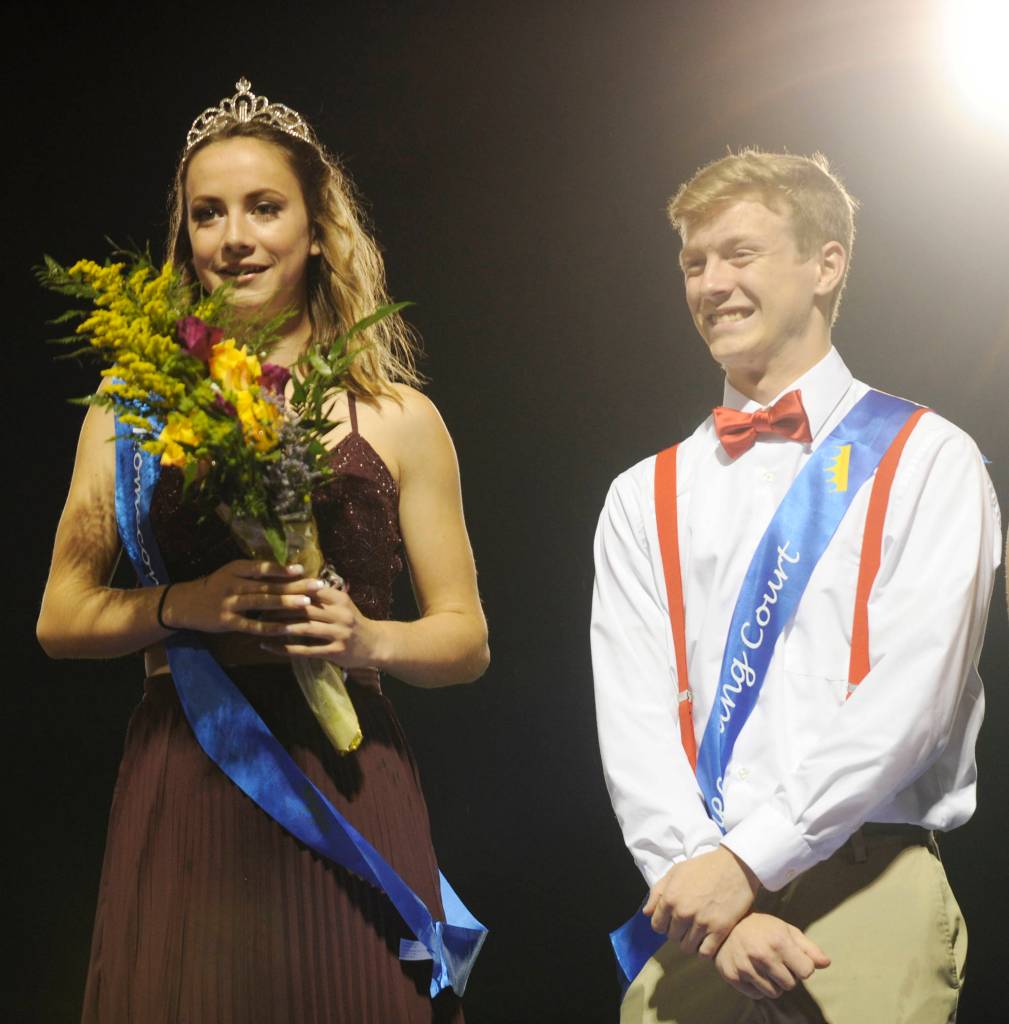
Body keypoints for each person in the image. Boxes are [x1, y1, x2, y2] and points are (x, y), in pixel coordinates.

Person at [37, 80, 489, 1024]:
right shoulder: (129, 409)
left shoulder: (401, 418)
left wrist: (366, 641)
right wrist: (181, 605)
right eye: (207, 214)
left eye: (262, 207)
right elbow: (61, 618)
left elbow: (465, 641)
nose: (232, 235)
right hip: (191, 777)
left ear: (318, 229)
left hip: (351, 781)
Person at [591, 149, 1001, 1023]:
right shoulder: (640, 495)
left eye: (738, 254)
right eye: (693, 264)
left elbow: (911, 699)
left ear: (826, 264)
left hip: (868, 884)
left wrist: (747, 865)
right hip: (696, 903)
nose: (710, 284)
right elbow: (632, 720)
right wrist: (708, 882)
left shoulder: (929, 456)